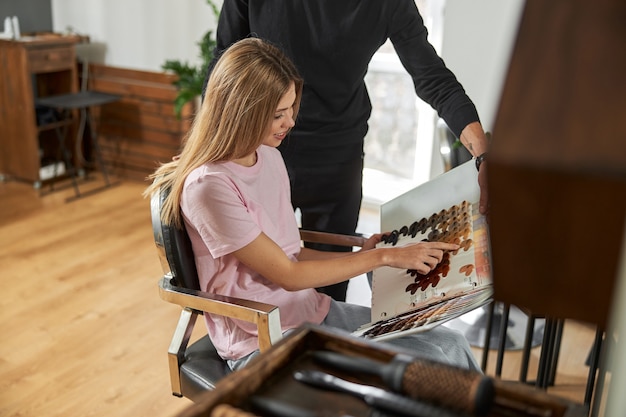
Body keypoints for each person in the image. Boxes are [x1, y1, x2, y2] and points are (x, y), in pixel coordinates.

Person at [146, 38, 479, 372]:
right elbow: (289, 275)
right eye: (277, 114)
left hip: (310, 310)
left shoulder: (270, 159)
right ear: (242, 112)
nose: (290, 122)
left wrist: (367, 252)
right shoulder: (209, 186)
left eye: (291, 108)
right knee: (419, 373)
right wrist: (383, 257)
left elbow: (289, 253)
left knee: (450, 346)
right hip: (262, 336)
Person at [204, 0, 491, 302]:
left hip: (338, 158)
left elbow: (432, 78)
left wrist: (483, 154)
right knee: (259, 282)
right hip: (258, 153)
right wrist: (208, 147)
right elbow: (225, 66)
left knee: (329, 293)